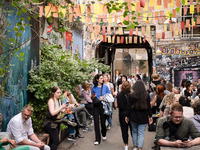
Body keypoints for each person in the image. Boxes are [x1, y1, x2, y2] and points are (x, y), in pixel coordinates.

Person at [126, 80, 153, 150]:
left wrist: (127, 116)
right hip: (143, 116)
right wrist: (150, 116)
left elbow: (128, 107)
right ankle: (140, 148)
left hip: (133, 116)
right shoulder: (146, 95)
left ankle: (135, 146)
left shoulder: (131, 95)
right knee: (141, 133)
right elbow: (149, 107)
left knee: (134, 131)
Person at [91, 74, 111, 145]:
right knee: (96, 122)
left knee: (103, 122)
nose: (103, 79)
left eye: (103, 78)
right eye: (101, 78)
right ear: (97, 80)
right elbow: (92, 96)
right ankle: (97, 139)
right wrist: (94, 97)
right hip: (96, 106)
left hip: (103, 106)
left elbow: (110, 96)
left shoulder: (105, 87)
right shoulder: (93, 88)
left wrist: (104, 98)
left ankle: (104, 133)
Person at [116, 81, 131, 150]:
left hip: (122, 114)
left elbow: (116, 105)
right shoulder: (131, 94)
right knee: (133, 130)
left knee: (124, 130)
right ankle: (135, 145)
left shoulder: (119, 95)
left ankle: (126, 145)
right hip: (130, 114)